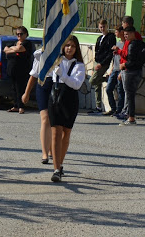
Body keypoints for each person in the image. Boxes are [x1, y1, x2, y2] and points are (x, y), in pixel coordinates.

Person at [48, 35, 85, 182]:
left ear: (76, 49)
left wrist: (62, 74)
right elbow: (42, 69)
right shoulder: (57, 60)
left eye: (72, 46)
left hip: (69, 100)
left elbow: (76, 84)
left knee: (66, 133)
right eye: (67, 45)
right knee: (56, 132)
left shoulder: (79, 65)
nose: (69, 48)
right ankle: (56, 169)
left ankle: (60, 164)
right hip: (55, 97)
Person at [21, 47, 51, 164]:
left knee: (54, 120)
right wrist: (26, 93)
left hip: (58, 86)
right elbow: (34, 75)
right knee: (45, 118)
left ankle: (52, 149)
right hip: (43, 84)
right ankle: (45, 153)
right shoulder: (40, 53)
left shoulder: (61, 50)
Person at [118, 26, 145, 125]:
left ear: (133, 33)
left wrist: (124, 65)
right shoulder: (142, 44)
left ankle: (131, 117)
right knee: (131, 94)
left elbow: (131, 60)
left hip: (130, 72)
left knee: (129, 95)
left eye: (127, 34)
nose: (125, 36)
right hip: (138, 71)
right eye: (124, 34)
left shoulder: (132, 45)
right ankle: (129, 115)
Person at [4, 26, 34, 114]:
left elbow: (20, 49)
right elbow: (5, 49)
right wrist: (13, 49)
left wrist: (12, 49)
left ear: (26, 35)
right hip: (12, 70)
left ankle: (21, 106)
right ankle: (15, 105)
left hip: (22, 70)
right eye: (17, 34)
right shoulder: (14, 42)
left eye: (21, 34)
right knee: (14, 89)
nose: (19, 36)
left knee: (20, 88)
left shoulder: (27, 43)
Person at [89, 20, 116, 114]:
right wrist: (94, 66)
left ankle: (105, 79)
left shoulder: (110, 37)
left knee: (92, 80)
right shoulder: (99, 38)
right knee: (97, 85)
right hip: (97, 61)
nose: (102, 29)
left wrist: (102, 63)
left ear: (107, 26)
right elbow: (97, 51)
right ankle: (98, 106)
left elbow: (109, 53)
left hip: (103, 63)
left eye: (103, 26)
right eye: (100, 27)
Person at [106, 26, 126, 118]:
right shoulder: (118, 43)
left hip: (121, 70)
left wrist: (122, 72)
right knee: (109, 88)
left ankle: (119, 110)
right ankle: (113, 108)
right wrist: (112, 68)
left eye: (116, 32)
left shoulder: (126, 44)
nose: (115, 34)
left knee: (120, 90)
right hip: (115, 69)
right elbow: (115, 58)